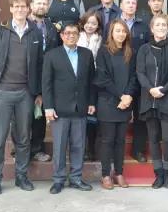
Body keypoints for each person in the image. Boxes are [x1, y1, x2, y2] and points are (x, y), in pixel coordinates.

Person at [0, 0, 44, 196]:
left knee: (24, 139)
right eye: (16, 6)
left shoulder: (35, 32)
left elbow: (39, 64)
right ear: (10, 9)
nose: (20, 10)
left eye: (23, 6)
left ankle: (21, 176)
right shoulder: (0, 30)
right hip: (2, 92)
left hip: (25, 94)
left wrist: (38, 92)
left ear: (28, 9)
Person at [42, 23, 96, 194]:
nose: (71, 36)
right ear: (62, 36)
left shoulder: (86, 54)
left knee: (78, 146)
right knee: (59, 147)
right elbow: (46, 84)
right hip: (59, 109)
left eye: (74, 33)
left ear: (79, 35)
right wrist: (48, 107)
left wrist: (91, 102)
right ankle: (58, 180)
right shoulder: (51, 55)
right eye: (67, 33)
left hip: (80, 107)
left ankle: (76, 178)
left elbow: (91, 81)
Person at [137, 14, 168, 188]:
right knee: (153, 139)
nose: (161, 27)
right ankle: (158, 174)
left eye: (164, 25)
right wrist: (151, 89)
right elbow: (140, 72)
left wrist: (163, 90)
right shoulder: (144, 49)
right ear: (152, 28)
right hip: (149, 98)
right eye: (157, 25)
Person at [93, 19, 137, 190]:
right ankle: (105, 175)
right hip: (108, 102)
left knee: (120, 141)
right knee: (107, 140)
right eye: (117, 30)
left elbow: (134, 77)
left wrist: (128, 96)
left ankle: (119, 173)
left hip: (125, 103)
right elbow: (102, 78)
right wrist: (121, 96)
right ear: (111, 33)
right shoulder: (103, 51)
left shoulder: (130, 52)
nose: (121, 34)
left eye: (123, 31)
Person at [26, 0, 60, 163]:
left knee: (39, 117)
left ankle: (37, 149)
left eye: (44, 3)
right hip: (24, 78)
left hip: (45, 78)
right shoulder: (24, 25)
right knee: (23, 117)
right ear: (31, 5)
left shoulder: (51, 27)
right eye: (38, 3)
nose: (41, 6)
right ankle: (20, 150)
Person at [120, 0, 150, 163]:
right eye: (127, 2)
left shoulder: (143, 26)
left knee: (140, 116)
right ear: (121, 5)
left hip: (139, 75)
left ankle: (138, 150)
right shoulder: (113, 24)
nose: (131, 5)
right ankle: (117, 151)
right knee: (119, 114)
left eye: (133, 3)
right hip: (120, 74)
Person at [77, 10, 103, 161]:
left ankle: (90, 149)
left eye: (94, 23)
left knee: (92, 116)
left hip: (95, 80)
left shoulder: (101, 40)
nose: (90, 26)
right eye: (88, 22)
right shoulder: (75, 36)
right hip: (78, 81)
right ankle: (79, 149)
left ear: (98, 25)